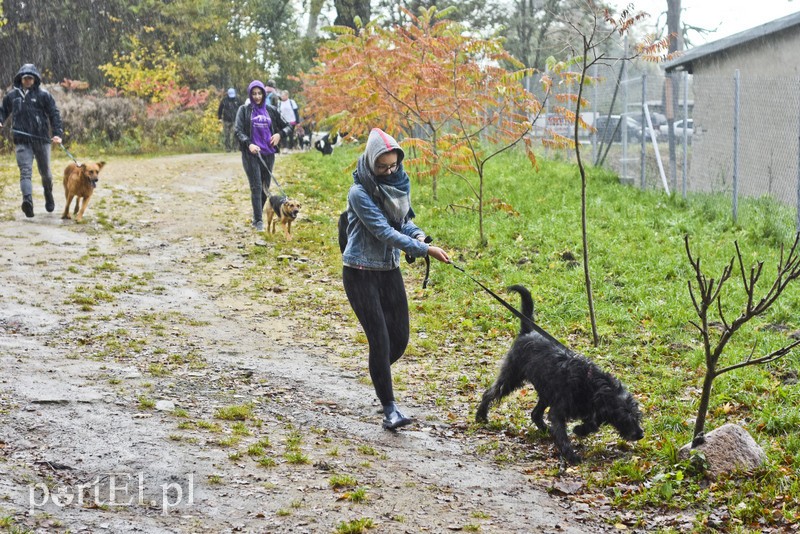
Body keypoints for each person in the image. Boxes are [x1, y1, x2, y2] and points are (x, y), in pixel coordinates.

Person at [341, 128, 451, 430]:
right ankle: (390, 409)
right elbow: (384, 232)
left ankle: (379, 373)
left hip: (388, 270)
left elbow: (403, 222)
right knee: (380, 339)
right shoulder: (359, 192)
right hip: (360, 272)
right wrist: (424, 248)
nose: (389, 172)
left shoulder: (398, 183)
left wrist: (419, 235)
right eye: (382, 167)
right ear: (370, 162)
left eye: (393, 166)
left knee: (399, 339)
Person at [0, 63, 63, 218]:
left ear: (35, 79)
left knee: (46, 173)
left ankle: (48, 194)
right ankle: (27, 201)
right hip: (21, 140)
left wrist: (57, 133)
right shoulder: (12, 96)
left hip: (42, 140)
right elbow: (2, 111)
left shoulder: (43, 95)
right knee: (25, 172)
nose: (28, 80)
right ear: (20, 79)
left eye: (30, 78)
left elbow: (54, 114)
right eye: (25, 78)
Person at [233, 80, 292, 231]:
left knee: (265, 188)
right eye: (254, 94)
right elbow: (238, 130)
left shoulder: (271, 110)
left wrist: (279, 134)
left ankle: (257, 216)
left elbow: (288, 126)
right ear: (250, 95)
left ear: (264, 94)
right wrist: (249, 143)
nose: (257, 96)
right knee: (256, 186)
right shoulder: (244, 110)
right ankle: (258, 220)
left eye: (259, 93)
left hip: (268, 154)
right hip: (251, 154)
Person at [217, 87, 241, 152]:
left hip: (235, 120)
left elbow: (241, 109)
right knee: (227, 135)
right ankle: (228, 148)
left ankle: (235, 148)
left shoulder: (238, 100)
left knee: (235, 134)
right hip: (226, 120)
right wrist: (219, 118)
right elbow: (220, 109)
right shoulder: (224, 100)